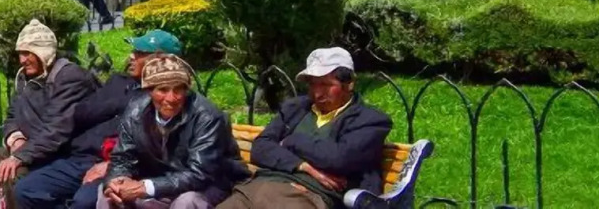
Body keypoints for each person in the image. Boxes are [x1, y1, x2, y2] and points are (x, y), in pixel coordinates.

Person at [217, 49, 393, 209]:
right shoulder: (295, 108)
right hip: (259, 188)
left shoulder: (370, 121)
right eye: (312, 84)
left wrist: (291, 141)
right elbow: (260, 148)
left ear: (349, 84)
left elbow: (338, 159)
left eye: (325, 85)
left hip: (308, 196)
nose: (317, 93)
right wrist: (302, 166)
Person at [0, 19, 102, 209]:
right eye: (20, 54)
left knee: (12, 173)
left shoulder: (70, 78)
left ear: (44, 52)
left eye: (27, 53)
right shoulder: (26, 77)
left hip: (59, 157)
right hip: (30, 151)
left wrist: (20, 157)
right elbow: (12, 115)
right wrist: (15, 139)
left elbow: (56, 131)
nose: (22, 60)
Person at [102, 54, 247, 208]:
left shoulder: (207, 116)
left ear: (186, 90)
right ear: (149, 91)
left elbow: (201, 174)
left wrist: (147, 187)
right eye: (162, 90)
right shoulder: (135, 111)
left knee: (186, 202)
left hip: (210, 184)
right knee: (110, 195)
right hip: (161, 181)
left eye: (178, 90)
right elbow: (122, 157)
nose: (171, 98)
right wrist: (117, 180)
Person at [71, 30, 188, 209]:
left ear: (161, 60)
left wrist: (111, 166)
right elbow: (80, 113)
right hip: (81, 156)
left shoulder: (168, 103)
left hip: (122, 167)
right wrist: (121, 102)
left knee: (86, 201)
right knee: (30, 188)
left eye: (140, 53)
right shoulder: (119, 82)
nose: (131, 56)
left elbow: (157, 153)